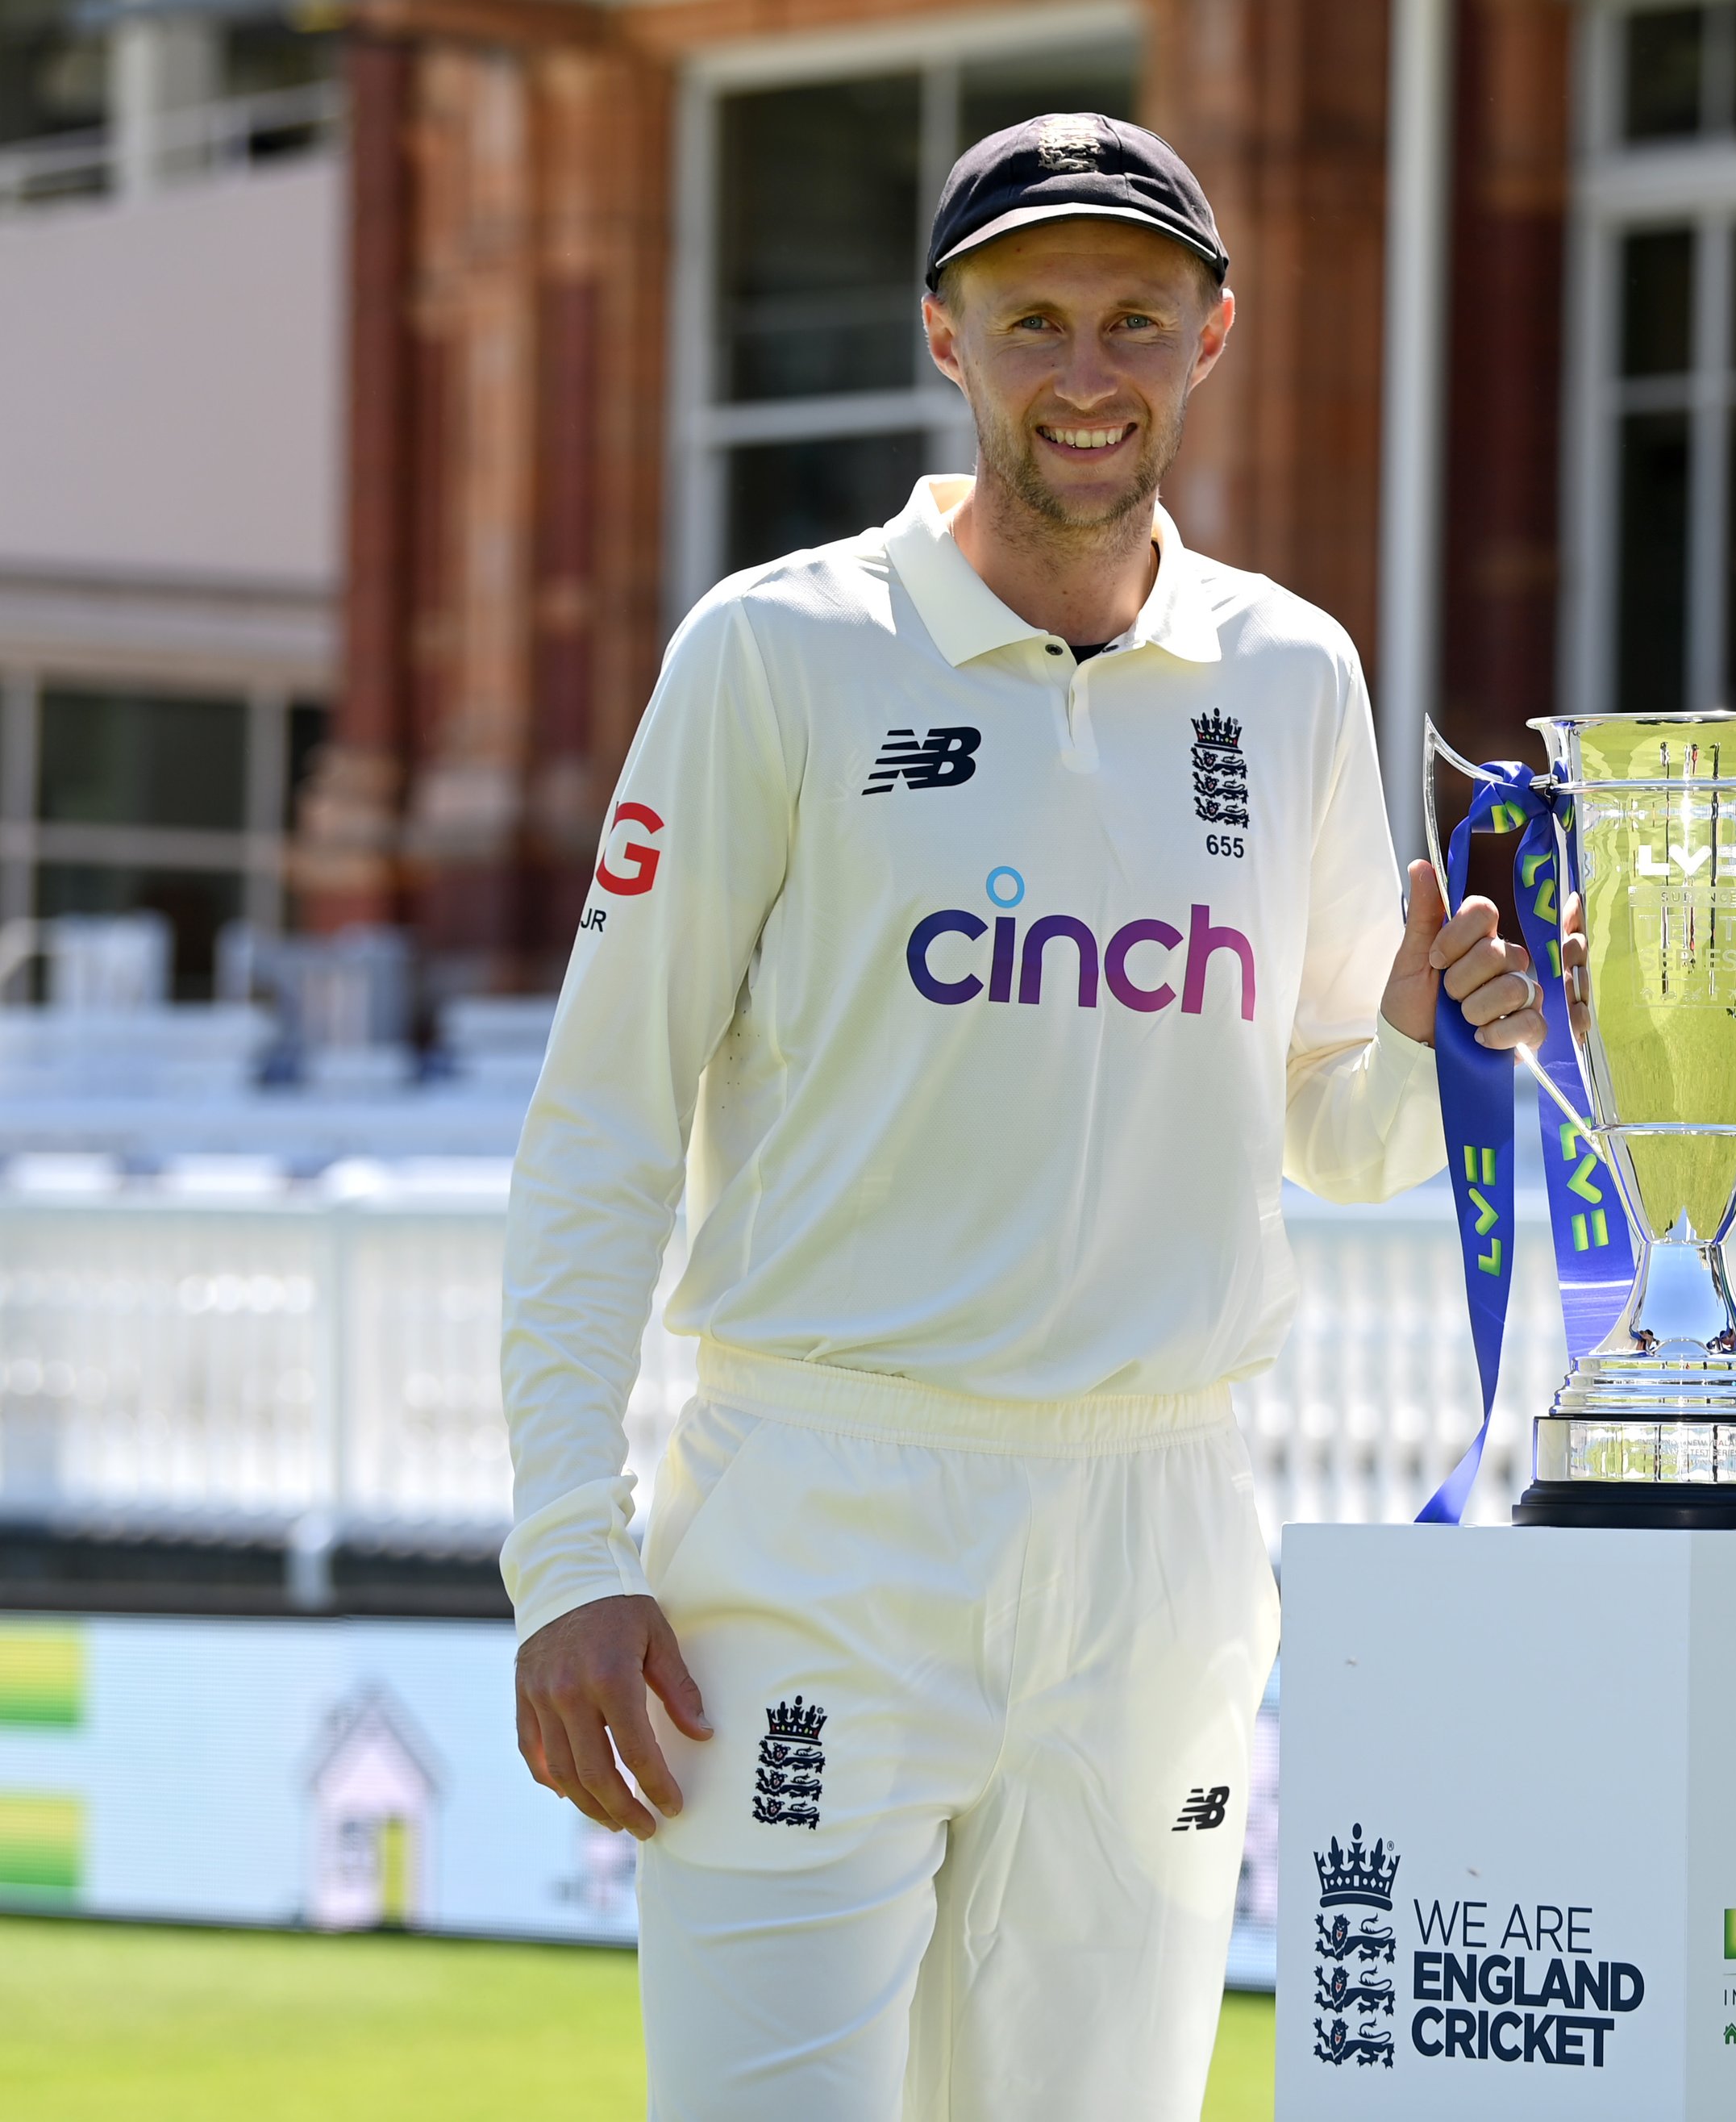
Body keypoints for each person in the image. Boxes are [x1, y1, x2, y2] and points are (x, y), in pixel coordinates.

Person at [499, 115, 1538, 2120]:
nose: (1086, 372)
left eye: (1135, 321)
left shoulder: (1291, 671)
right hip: (821, 1515)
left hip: (1158, 1532)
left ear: (1211, 338)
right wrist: (566, 1552)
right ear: (944, 338)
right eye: (1034, 319)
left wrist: (1431, 1043)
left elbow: (1325, 1130)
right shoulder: (776, 649)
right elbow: (600, 1126)